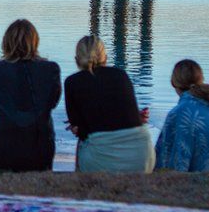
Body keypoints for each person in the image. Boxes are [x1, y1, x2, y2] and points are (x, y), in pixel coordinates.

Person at [0, 19, 61, 171]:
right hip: (40, 153)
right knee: (45, 115)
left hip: (0, 154)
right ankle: (45, 168)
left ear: (6, 43)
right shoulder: (51, 70)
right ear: (35, 42)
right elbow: (53, 102)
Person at [64, 35, 155, 173]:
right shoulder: (121, 75)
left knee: (83, 142)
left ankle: (80, 180)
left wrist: (77, 127)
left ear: (77, 60)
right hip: (143, 158)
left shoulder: (72, 82)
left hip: (102, 163)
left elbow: (81, 132)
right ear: (105, 58)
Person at [154, 60, 209, 172]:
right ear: (201, 80)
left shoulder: (179, 113)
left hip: (204, 181)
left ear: (172, 82)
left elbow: (168, 159)